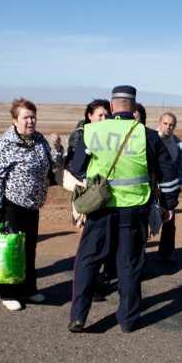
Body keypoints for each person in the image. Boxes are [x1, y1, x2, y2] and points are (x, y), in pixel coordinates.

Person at [68, 85, 181, 333]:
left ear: (111, 107)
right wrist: (168, 205)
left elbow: (76, 168)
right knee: (129, 265)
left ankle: (78, 317)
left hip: (99, 209)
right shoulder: (147, 135)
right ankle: (128, 320)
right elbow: (169, 177)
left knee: (87, 260)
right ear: (134, 107)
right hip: (134, 210)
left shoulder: (92, 131)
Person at [0, 98, 63, 311]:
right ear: (14, 120)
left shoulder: (38, 140)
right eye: (25, 117)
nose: (30, 121)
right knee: (10, 249)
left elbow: (53, 165)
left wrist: (57, 149)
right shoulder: (5, 144)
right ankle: (8, 293)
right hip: (11, 205)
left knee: (29, 248)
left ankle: (28, 289)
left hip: (33, 205)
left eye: (33, 116)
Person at [64, 98, 116, 300]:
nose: (104, 118)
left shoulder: (108, 135)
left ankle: (94, 281)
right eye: (100, 115)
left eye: (106, 115)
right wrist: (90, 177)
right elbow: (74, 165)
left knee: (101, 242)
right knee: (88, 244)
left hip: (102, 194)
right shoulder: (81, 135)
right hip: (87, 194)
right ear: (89, 116)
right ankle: (86, 287)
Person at [156, 112, 182, 265]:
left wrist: (179, 182)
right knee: (143, 222)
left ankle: (166, 254)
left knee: (169, 222)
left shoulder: (179, 145)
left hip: (170, 191)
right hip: (151, 190)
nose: (168, 127)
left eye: (171, 125)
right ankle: (138, 256)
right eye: (165, 123)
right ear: (159, 122)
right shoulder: (150, 140)